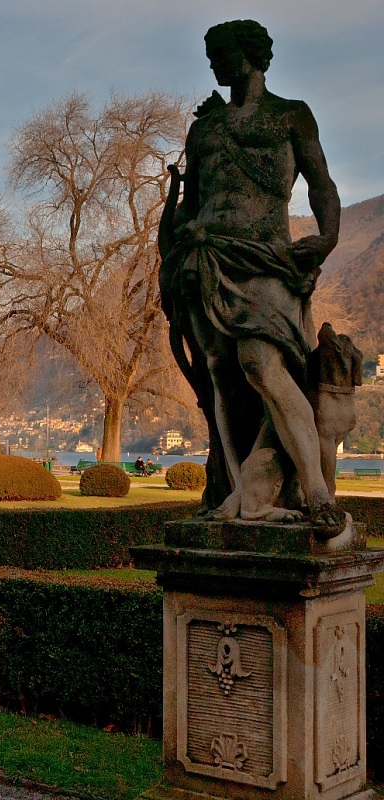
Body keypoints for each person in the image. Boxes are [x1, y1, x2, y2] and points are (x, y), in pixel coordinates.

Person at [159, 19, 341, 528]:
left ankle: (317, 492)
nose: (213, 63)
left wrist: (326, 238)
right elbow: (193, 200)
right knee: (222, 376)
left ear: (250, 55)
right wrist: (178, 236)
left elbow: (321, 182)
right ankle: (239, 496)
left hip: (264, 259)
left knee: (262, 364)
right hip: (207, 259)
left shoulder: (289, 116)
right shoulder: (205, 130)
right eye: (210, 54)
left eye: (220, 53)